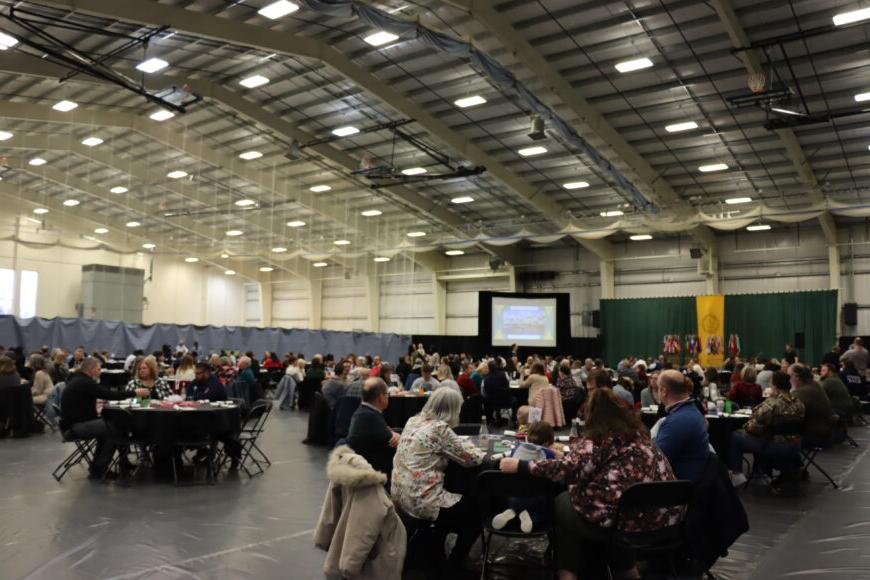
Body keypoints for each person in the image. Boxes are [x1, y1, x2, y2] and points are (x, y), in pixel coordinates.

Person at [500, 388, 680, 580]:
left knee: (563, 504)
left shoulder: (599, 439)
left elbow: (567, 470)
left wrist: (521, 465)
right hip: (663, 518)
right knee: (613, 514)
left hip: (625, 522)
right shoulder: (641, 436)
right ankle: (628, 572)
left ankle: (567, 574)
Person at [391, 388, 486, 572]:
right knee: (476, 513)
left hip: (400, 496)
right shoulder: (439, 428)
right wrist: (477, 450)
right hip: (422, 501)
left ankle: (434, 545)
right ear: (452, 409)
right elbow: (471, 459)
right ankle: (455, 564)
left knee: (452, 507)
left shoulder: (413, 420)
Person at [727, 371, 805, 486]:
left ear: (775, 385)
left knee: (735, 436)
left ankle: (736, 474)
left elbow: (755, 427)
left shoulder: (772, 404)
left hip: (775, 446)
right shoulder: (799, 403)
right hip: (796, 445)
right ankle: (759, 470)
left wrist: (746, 427)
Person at [60, 357, 128, 478]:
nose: (100, 371)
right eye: (98, 369)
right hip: (75, 427)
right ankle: (100, 469)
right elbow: (108, 394)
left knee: (107, 429)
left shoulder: (78, 379)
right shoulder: (85, 382)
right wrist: (133, 393)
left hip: (73, 423)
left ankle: (97, 467)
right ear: (90, 369)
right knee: (115, 429)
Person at [492, 421, 561, 534]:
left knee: (519, 497)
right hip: (537, 500)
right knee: (547, 512)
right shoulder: (549, 454)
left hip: (512, 498)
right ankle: (532, 518)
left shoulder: (516, 449)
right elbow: (556, 468)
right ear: (548, 442)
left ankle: (512, 512)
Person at [652, 369, 710, 483]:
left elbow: (654, 460)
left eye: (658, 388)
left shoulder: (678, 421)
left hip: (680, 487)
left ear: (664, 391)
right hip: (691, 480)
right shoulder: (690, 410)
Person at [346, 377, 400, 477]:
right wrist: (400, 436)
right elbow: (394, 444)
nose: (388, 397)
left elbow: (385, 431)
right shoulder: (370, 416)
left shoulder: (364, 411)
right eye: (387, 394)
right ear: (380, 397)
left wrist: (394, 433)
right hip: (374, 473)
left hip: (364, 464)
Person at [789, 364, 833, 446]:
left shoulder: (801, 392)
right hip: (825, 431)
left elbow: (788, 411)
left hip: (812, 435)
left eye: (790, 376)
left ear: (797, 377)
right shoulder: (815, 385)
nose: (789, 379)